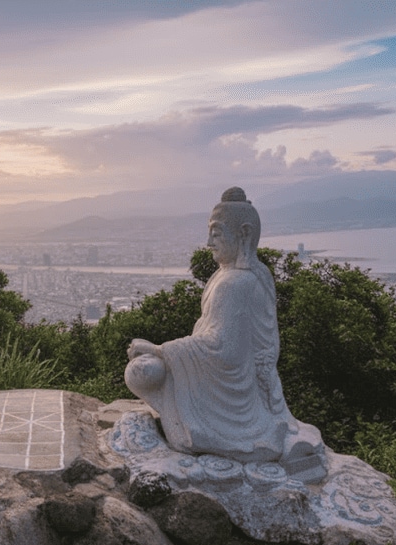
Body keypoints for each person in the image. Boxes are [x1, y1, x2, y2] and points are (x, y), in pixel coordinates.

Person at [125, 187, 326, 480]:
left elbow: (224, 350)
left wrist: (158, 350)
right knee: (145, 370)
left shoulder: (235, 284)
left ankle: (197, 431)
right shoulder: (251, 274)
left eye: (216, 233)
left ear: (243, 234)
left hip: (233, 403)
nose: (209, 243)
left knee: (140, 372)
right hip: (238, 387)